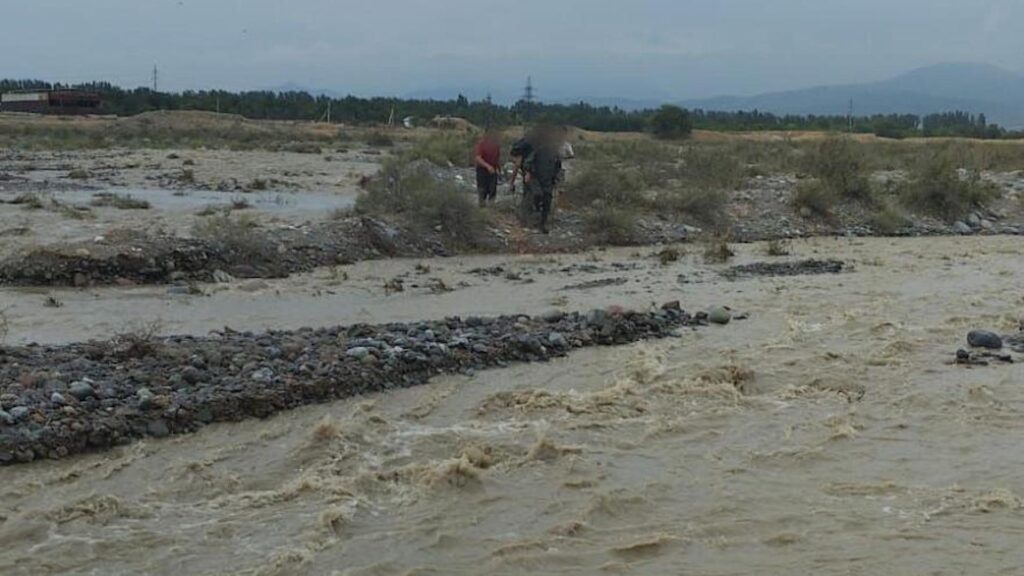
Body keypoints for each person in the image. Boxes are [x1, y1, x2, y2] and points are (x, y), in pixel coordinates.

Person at [473, 128, 501, 206]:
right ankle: (482, 209)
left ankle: (491, 209)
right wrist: (487, 166)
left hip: (493, 170)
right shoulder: (481, 144)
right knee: (482, 190)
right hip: (482, 170)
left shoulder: (496, 145)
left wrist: (499, 170)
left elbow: (497, 159)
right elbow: (478, 158)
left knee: (493, 190)